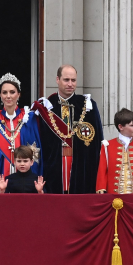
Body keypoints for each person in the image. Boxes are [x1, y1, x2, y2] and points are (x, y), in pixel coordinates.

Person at [33, 65, 103, 193]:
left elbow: (98, 140)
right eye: (66, 80)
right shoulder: (47, 106)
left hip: (81, 166)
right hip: (53, 166)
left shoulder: (88, 105)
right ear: (57, 79)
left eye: (73, 80)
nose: (70, 84)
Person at [0, 73, 43, 191]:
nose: (8, 96)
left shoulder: (29, 117)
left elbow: (37, 149)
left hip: (26, 174)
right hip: (0, 171)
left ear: (19, 94)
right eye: (4, 92)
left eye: (12, 92)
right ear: (0, 95)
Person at [95, 108, 133, 194]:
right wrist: (101, 188)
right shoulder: (107, 145)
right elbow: (102, 170)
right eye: (132, 125)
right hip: (114, 196)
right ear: (120, 127)